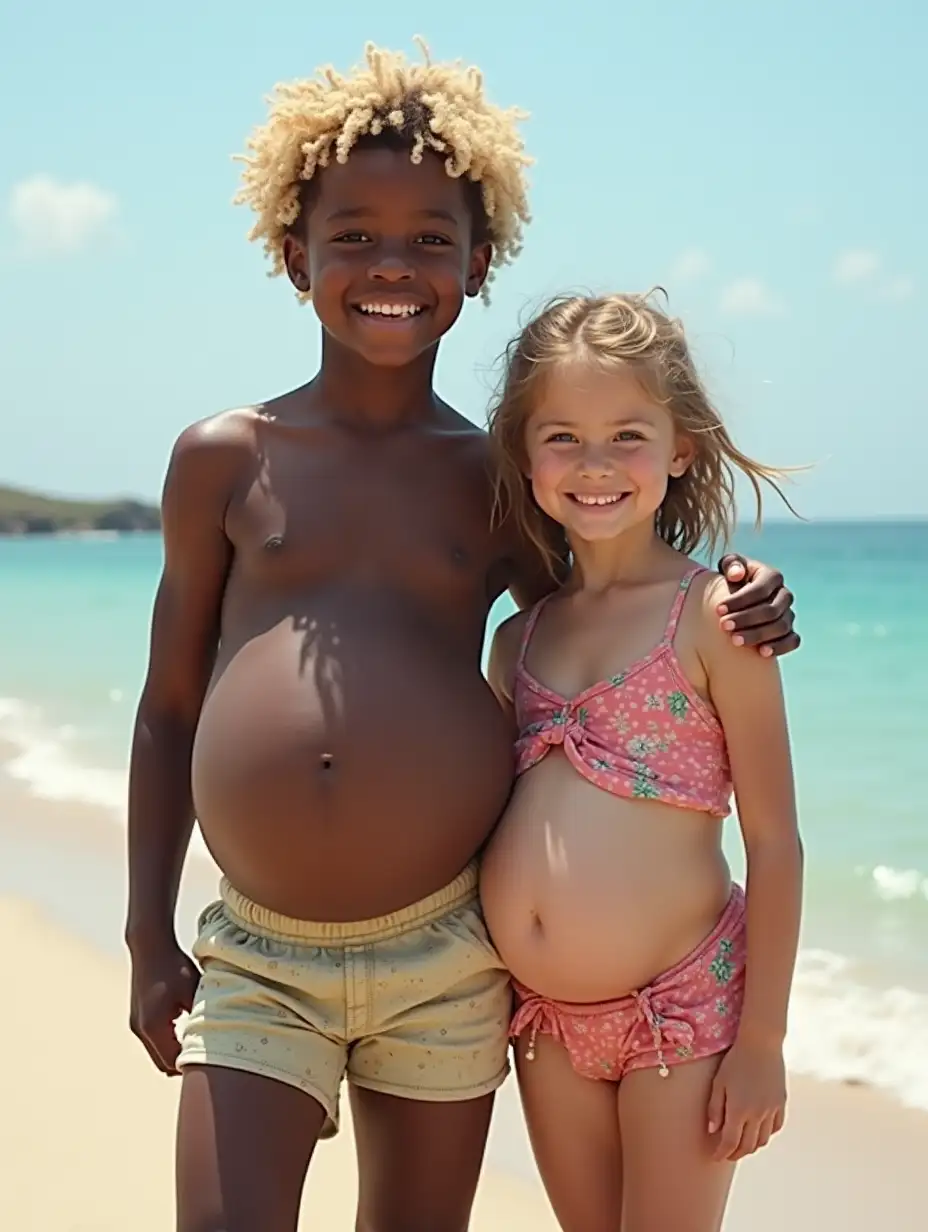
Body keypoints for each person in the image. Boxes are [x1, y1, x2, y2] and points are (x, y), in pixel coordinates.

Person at [124, 42, 800, 1232]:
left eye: (432, 238)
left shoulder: (493, 483)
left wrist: (744, 588)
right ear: (296, 256)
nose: (393, 265)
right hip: (259, 950)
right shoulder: (225, 457)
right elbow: (169, 702)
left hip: (445, 947)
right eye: (354, 235)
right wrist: (145, 928)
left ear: (478, 263)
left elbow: (615, 581)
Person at [481, 290, 804, 1232]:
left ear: (681, 448)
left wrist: (764, 1044)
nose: (595, 466)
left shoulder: (712, 620)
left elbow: (776, 843)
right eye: (564, 438)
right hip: (543, 1022)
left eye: (628, 435)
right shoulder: (517, 640)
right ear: (525, 453)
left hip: (684, 1012)